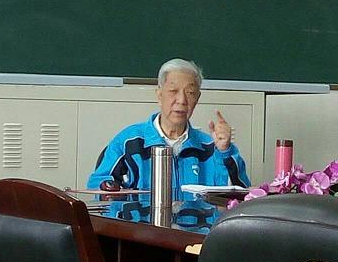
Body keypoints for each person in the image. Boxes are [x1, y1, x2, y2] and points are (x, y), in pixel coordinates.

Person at [88, 58, 250, 191]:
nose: (182, 100)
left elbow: (240, 195)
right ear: (159, 95)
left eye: (190, 93)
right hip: (141, 222)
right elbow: (97, 186)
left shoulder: (210, 147)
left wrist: (224, 152)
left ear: (197, 98)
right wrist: (110, 189)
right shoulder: (129, 143)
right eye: (173, 91)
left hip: (198, 222)